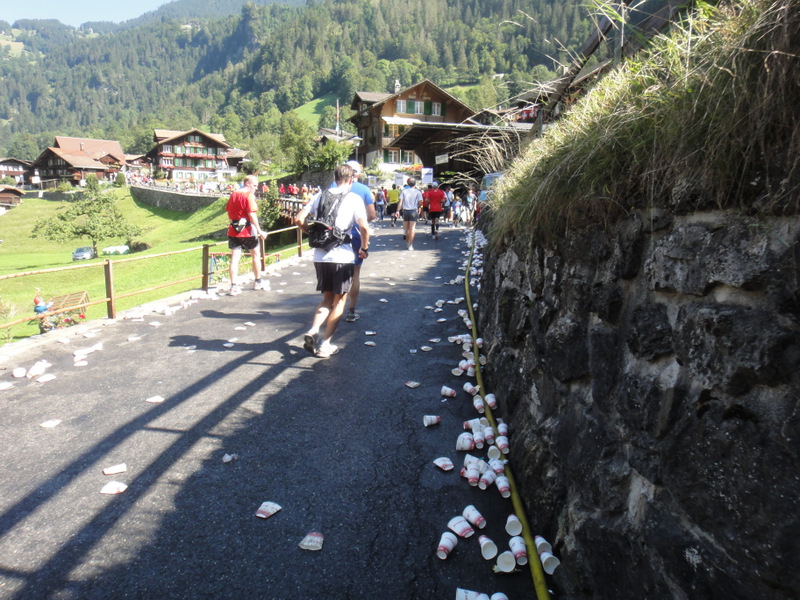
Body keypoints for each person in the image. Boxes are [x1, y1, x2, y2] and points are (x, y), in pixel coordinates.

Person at [294, 164, 369, 358]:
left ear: (335, 177)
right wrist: (364, 248)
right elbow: (364, 227)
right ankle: (326, 344)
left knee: (327, 298)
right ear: (351, 179)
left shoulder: (319, 195)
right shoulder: (354, 198)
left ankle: (313, 330)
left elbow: (298, 218)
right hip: (342, 256)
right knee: (339, 300)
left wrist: (310, 234)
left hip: (320, 255)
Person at [334, 160, 375, 323]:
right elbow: (372, 214)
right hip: (356, 234)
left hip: (336, 234)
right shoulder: (364, 189)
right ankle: (351, 311)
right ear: (357, 174)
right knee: (355, 273)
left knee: (336, 270)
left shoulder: (333, 185)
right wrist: (361, 223)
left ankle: (333, 307)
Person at [225, 174, 268, 295]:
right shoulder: (249, 195)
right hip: (248, 230)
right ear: (247, 184)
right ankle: (257, 281)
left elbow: (229, 210)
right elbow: (252, 215)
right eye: (254, 185)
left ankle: (233, 286)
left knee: (234, 259)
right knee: (255, 255)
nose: (256, 188)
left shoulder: (233, 194)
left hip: (233, 230)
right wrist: (260, 231)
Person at [396, 177, 422, 250]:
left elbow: (400, 202)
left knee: (406, 229)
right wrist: (418, 206)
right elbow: (420, 202)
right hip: (413, 210)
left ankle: (408, 242)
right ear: (415, 184)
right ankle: (411, 244)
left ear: (408, 184)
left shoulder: (404, 191)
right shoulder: (418, 192)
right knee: (412, 228)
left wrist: (398, 210)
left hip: (405, 211)